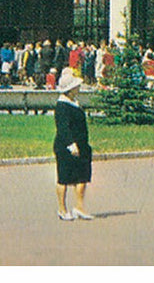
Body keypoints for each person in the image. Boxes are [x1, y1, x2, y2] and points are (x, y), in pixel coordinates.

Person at [53, 69, 94, 220]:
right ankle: (62, 209)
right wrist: (71, 145)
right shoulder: (62, 106)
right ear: (70, 89)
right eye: (76, 86)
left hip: (82, 144)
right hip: (66, 146)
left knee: (82, 177)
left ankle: (79, 207)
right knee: (64, 178)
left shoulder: (74, 102)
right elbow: (63, 128)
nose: (79, 88)